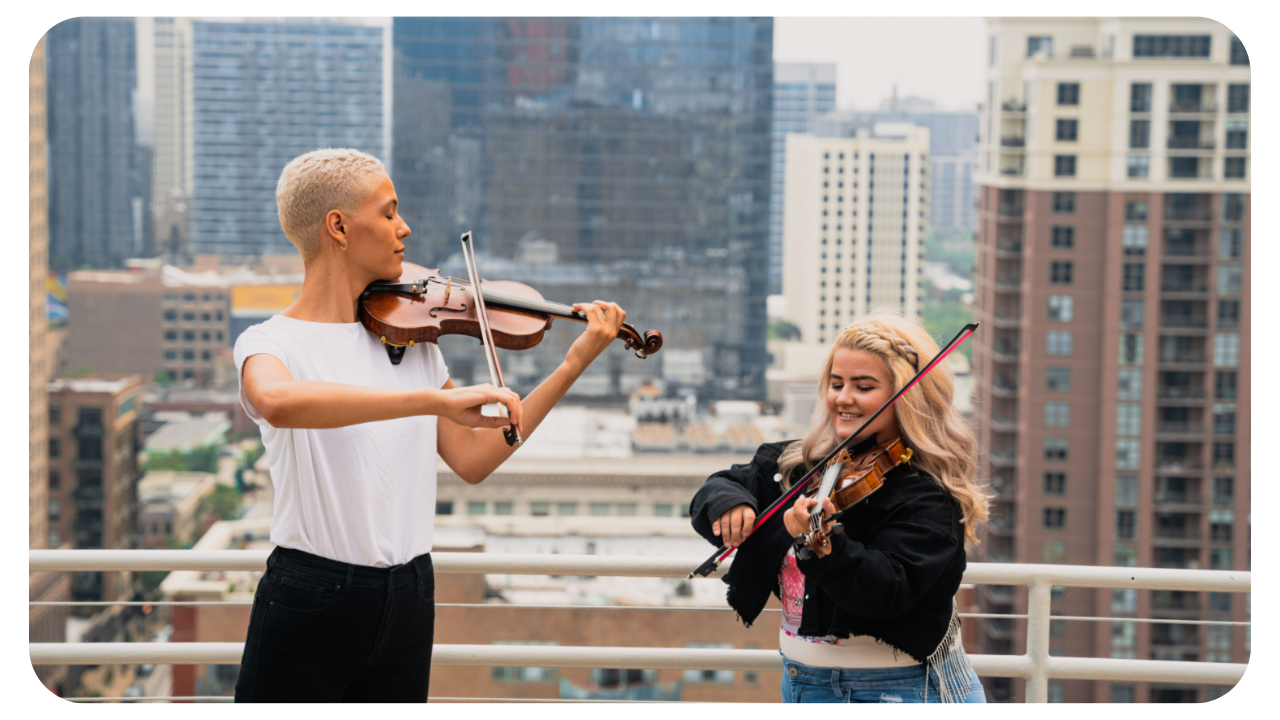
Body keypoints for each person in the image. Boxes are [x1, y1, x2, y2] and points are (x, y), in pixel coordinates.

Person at [232, 148, 628, 703]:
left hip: (410, 596)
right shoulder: (270, 343)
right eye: (389, 213)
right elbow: (276, 400)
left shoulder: (409, 337)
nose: (405, 227)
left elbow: (473, 459)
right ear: (338, 227)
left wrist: (573, 363)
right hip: (311, 594)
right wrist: (429, 402)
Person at [689, 311, 990, 704]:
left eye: (863, 387)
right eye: (836, 384)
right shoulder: (797, 465)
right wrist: (729, 504)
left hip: (903, 690)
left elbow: (887, 589)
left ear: (907, 396)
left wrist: (822, 543)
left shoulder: (926, 497)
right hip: (803, 684)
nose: (843, 398)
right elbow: (721, 484)